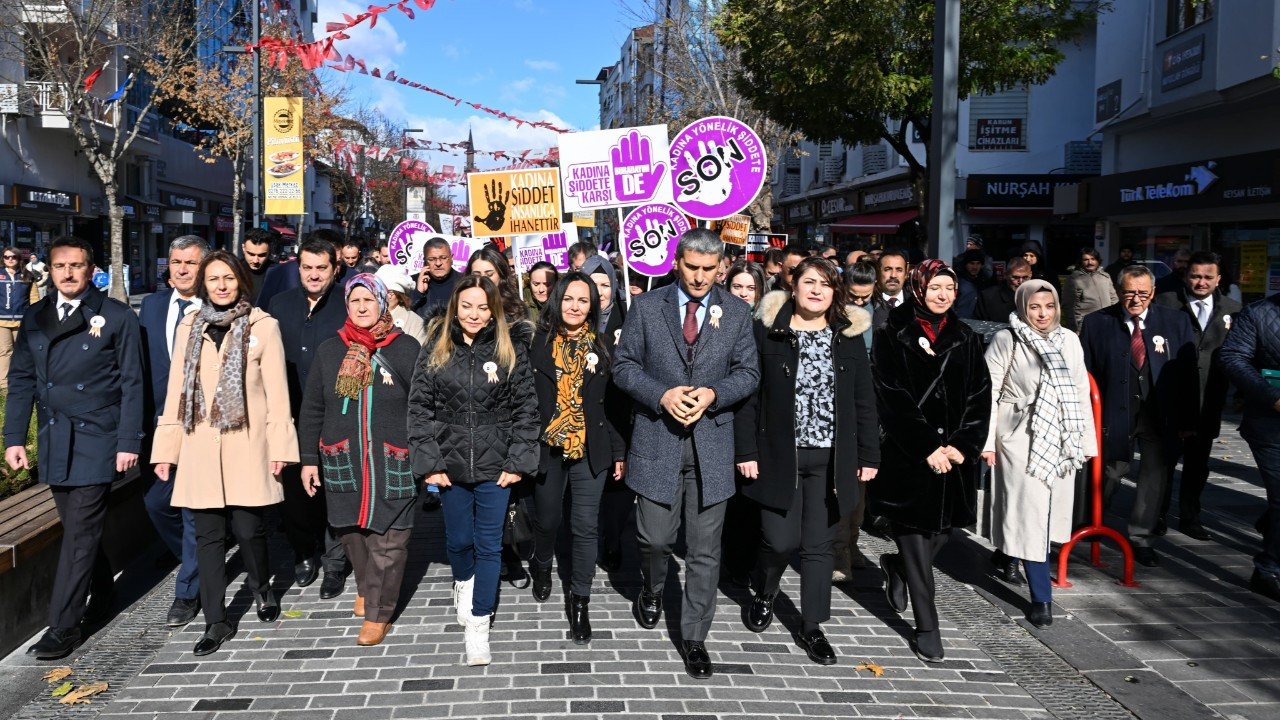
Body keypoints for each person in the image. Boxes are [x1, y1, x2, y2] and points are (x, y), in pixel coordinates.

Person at [612, 228, 760, 680]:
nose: (698, 278)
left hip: (712, 445)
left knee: (704, 549)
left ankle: (695, 637)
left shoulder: (735, 313)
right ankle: (653, 589)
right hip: (657, 440)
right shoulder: (646, 307)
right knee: (655, 539)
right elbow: (623, 367)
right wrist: (662, 395)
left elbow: (749, 372)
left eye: (707, 270)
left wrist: (714, 392)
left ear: (721, 269)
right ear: (677, 262)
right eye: (691, 267)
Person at [5, 236, 144, 660]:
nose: (68, 273)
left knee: (80, 532)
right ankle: (101, 590)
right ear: (50, 270)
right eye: (61, 265)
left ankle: (62, 626)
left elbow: (133, 383)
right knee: (79, 531)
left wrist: (127, 441)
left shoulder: (116, 316)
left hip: (97, 437)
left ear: (91, 270)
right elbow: (22, 381)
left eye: (77, 265)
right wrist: (13, 437)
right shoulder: (35, 316)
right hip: (54, 438)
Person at [151, 251, 297, 656]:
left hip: (248, 443)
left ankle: (262, 586)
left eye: (228, 278)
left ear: (240, 282)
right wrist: (167, 451)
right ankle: (216, 620)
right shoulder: (189, 328)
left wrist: (280, 447)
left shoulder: (262, 326)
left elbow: (277, 393)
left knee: (249, 529)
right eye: (212, 279)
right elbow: (176, 392)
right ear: (203, 284)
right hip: (199, 443)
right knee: (208, 535)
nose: (220, 285)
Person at [735, 257, 879, 664]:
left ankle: (812, 626)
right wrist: (745, 451)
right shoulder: (767, 331)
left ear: (836, 292)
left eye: (826, 284)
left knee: (818, 547)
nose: (817, 290)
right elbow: (749, 396)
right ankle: (765, 591)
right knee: (779, 541)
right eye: (809, 282)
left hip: (831, 459)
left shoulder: (847, 336)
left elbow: (863, 401)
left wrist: (868, 454)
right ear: (792, 285)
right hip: (778, 455)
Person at [408, 276, 539, 666]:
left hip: (496, 466)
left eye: (483, 307)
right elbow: (419, 409)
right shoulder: (436, 345)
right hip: (448, 466)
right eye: (467, 306)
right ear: (455, 307)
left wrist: (518, 461)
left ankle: (479, 626)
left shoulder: (509, 347)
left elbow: (527, 410)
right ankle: (462, 584)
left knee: (488, 545)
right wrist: (429, 463)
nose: (475, 314)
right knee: (459, 541)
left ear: (493, 310)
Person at [868, 259, 991, 663]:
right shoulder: (891, 331)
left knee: (942, 532)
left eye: (949, 288)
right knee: (916, 542)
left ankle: (896, 566)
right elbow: (890, 395)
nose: (942, 295)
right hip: (907, 456)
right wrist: (926, 447)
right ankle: (927, 627)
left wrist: (963, 444)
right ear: (919, 287)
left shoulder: (967, 337)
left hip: (953, 459)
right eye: (935, 287)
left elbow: (979, 395)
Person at [298, 273, 420, 646]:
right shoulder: (330, 350)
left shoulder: (407, 348)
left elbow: (422, 406)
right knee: (351, 532)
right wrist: (308, 459)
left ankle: (378, 612)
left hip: (392, 459)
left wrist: (428, 456)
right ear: (347, 306)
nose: (363, 307)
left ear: (385, 303)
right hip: (343, 458)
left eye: (370, 300)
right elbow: (313, 408)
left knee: (390, 540)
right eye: (355, 301)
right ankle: (368, 587)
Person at [981, 280, 1095, 628]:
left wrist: (1086, 443)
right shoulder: (1007, 339)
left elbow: (1078, 392)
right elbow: (988, 392)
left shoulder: (1069, 340)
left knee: (1044, 518)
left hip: (1060, 439)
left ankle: (1006, 555)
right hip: (1017, 437)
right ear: (1021, 307)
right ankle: (1042, 598)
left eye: (1049, 306)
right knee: (1030, 518)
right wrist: (986, 442)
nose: (1043, 314)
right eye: (1034, 307)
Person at [528, 273, 627, 644]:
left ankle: (580, 602)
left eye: (583, 300)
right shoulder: (536, 344)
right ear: (557, 301)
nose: (574, 306)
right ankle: (541, 563)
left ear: (593, 306)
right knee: (549, 518)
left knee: (585, 526)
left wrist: (618, 451)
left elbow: (612, 405)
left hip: (590, 448)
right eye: (568, 298)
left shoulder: (603, 347)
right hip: (548, 447)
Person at [1079, 265, 1196, 567]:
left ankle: (1142, 538)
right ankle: (1092, 524)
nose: (1135, 299)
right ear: (1118, 292)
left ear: (1153, 293)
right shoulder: (1097, 323)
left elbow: (1187, 375)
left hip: (1160, 413)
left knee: (1154, 477)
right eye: (1129, 292)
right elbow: (1085, 375)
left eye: (1143, 293)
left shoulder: (1176, 321)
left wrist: (1188, 420)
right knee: (1110, 473)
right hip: (1115, 414)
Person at [268, 237, 350, 596]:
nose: (314, 275)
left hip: (335, 412)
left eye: (321, 268)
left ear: (335, 269)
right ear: (297, 268)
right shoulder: (278, 305)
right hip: (289, 412)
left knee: (334, 488)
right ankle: (304, 552)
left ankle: (335, 561)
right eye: (307, 267)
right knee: (295, 493)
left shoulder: (348, 304)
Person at [138, 236, 207, 629]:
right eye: (176, 262)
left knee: (194, 509)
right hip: (160, 428)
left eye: (190, 263)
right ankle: (198, 553)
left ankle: (188, 592)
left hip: (201, 426)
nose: (181, 269)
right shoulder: (151, 305)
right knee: (156, 504)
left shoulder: (215, 307)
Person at [1153, 252, 1241, 540]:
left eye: (1207, 277)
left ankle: (1191, 515)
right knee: (1164, 463)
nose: (1200, 282)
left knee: (1197, 464)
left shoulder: (1234, 309)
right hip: (1172, 397)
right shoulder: (1165, 303)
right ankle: (1157, 515)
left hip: (1209, 399)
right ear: (1185, 275)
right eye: (1195, 276)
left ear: (1218, 279)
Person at [1219, 292, 1280, 602]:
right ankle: (1267, 570)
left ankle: (1270, 523)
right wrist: (1272, 397)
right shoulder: (1258, 313)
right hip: (1270, 426)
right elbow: (1232, 357)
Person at [831, 258, 879, 581]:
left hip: (870, 407)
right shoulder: (834, 316)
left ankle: (853, 541)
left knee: (862, 492)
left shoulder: (882, 315)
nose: (859, 303)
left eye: (865, 297)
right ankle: (839, 553)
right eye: (853, 296)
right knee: (842, 488)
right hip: (841, 408)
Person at [0, 246, 42, 388]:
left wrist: (34, 316)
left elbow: (34, 298)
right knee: (5, 351)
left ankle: (22, 380)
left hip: (22, 319)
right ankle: (4, 384)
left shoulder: (27, 275)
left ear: (19, 259)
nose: (10, 259)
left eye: (14, 257)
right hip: (1, 321)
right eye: (7, 257)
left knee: (23, 351)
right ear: (3, 259)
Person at [467, 245, 529, 323]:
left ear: (501, 275)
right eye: (477, 275)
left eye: (489, 274)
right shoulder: (459, 304)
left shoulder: (515, 309)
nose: (484, 279)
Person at [1062, 247, 1118, 333]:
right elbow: (1069, 307)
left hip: (1107, 323)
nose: (1090, 262)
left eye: (1093, 259)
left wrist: (1115, 320)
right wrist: (1074, 328)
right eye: (1086, 260)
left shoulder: (1105, 277)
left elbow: (1114, 299)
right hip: (1085, 326)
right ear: (1081, 261)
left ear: (1098, 260)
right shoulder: (1074, 279)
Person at [373, 264, 429, 345]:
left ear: (400, 296)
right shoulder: (367, 315)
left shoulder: (415, 322)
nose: (386, 296)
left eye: (390, 292)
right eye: (380, 292)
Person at [412, 237, 461, 319]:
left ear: (452, 258)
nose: (438, 263)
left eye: (443, 258)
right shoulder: (412, 282)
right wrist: (418, 294)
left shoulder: (464, 282)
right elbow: (403, 316)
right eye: (432, 259)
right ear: (425, 261)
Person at [975, 258, 1032, 323]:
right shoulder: (987, 297)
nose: (1021, 282)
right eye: (1015, 277)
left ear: (1030, 275)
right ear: (1006, 275)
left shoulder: (1038, 295)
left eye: (1025, 278)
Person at [870, 249, 910, 329]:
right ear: (878, 272)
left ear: (906, 274)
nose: (893, 275)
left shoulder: (915, 305)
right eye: (887, 269)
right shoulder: (868, 303)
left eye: (899, 270)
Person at [240, 229, 274, 304]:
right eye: (251, 254)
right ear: (243, 248)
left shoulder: (278, 273)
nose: (256, 260)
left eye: (261, 255)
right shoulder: (234, 270)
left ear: (269, 251)